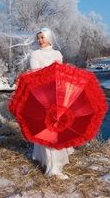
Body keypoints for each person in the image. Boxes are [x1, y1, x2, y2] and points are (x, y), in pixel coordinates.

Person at [29, 27, 74, 178]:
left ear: (49, 38)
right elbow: (36, 75)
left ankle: (55, 163)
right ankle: (52, 168)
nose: (40, 40)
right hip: (42, 96)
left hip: (57, 95)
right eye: (38, 38)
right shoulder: (35, 54)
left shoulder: (57, 54)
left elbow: (60, 75)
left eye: (42, 37)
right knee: (47, 129)